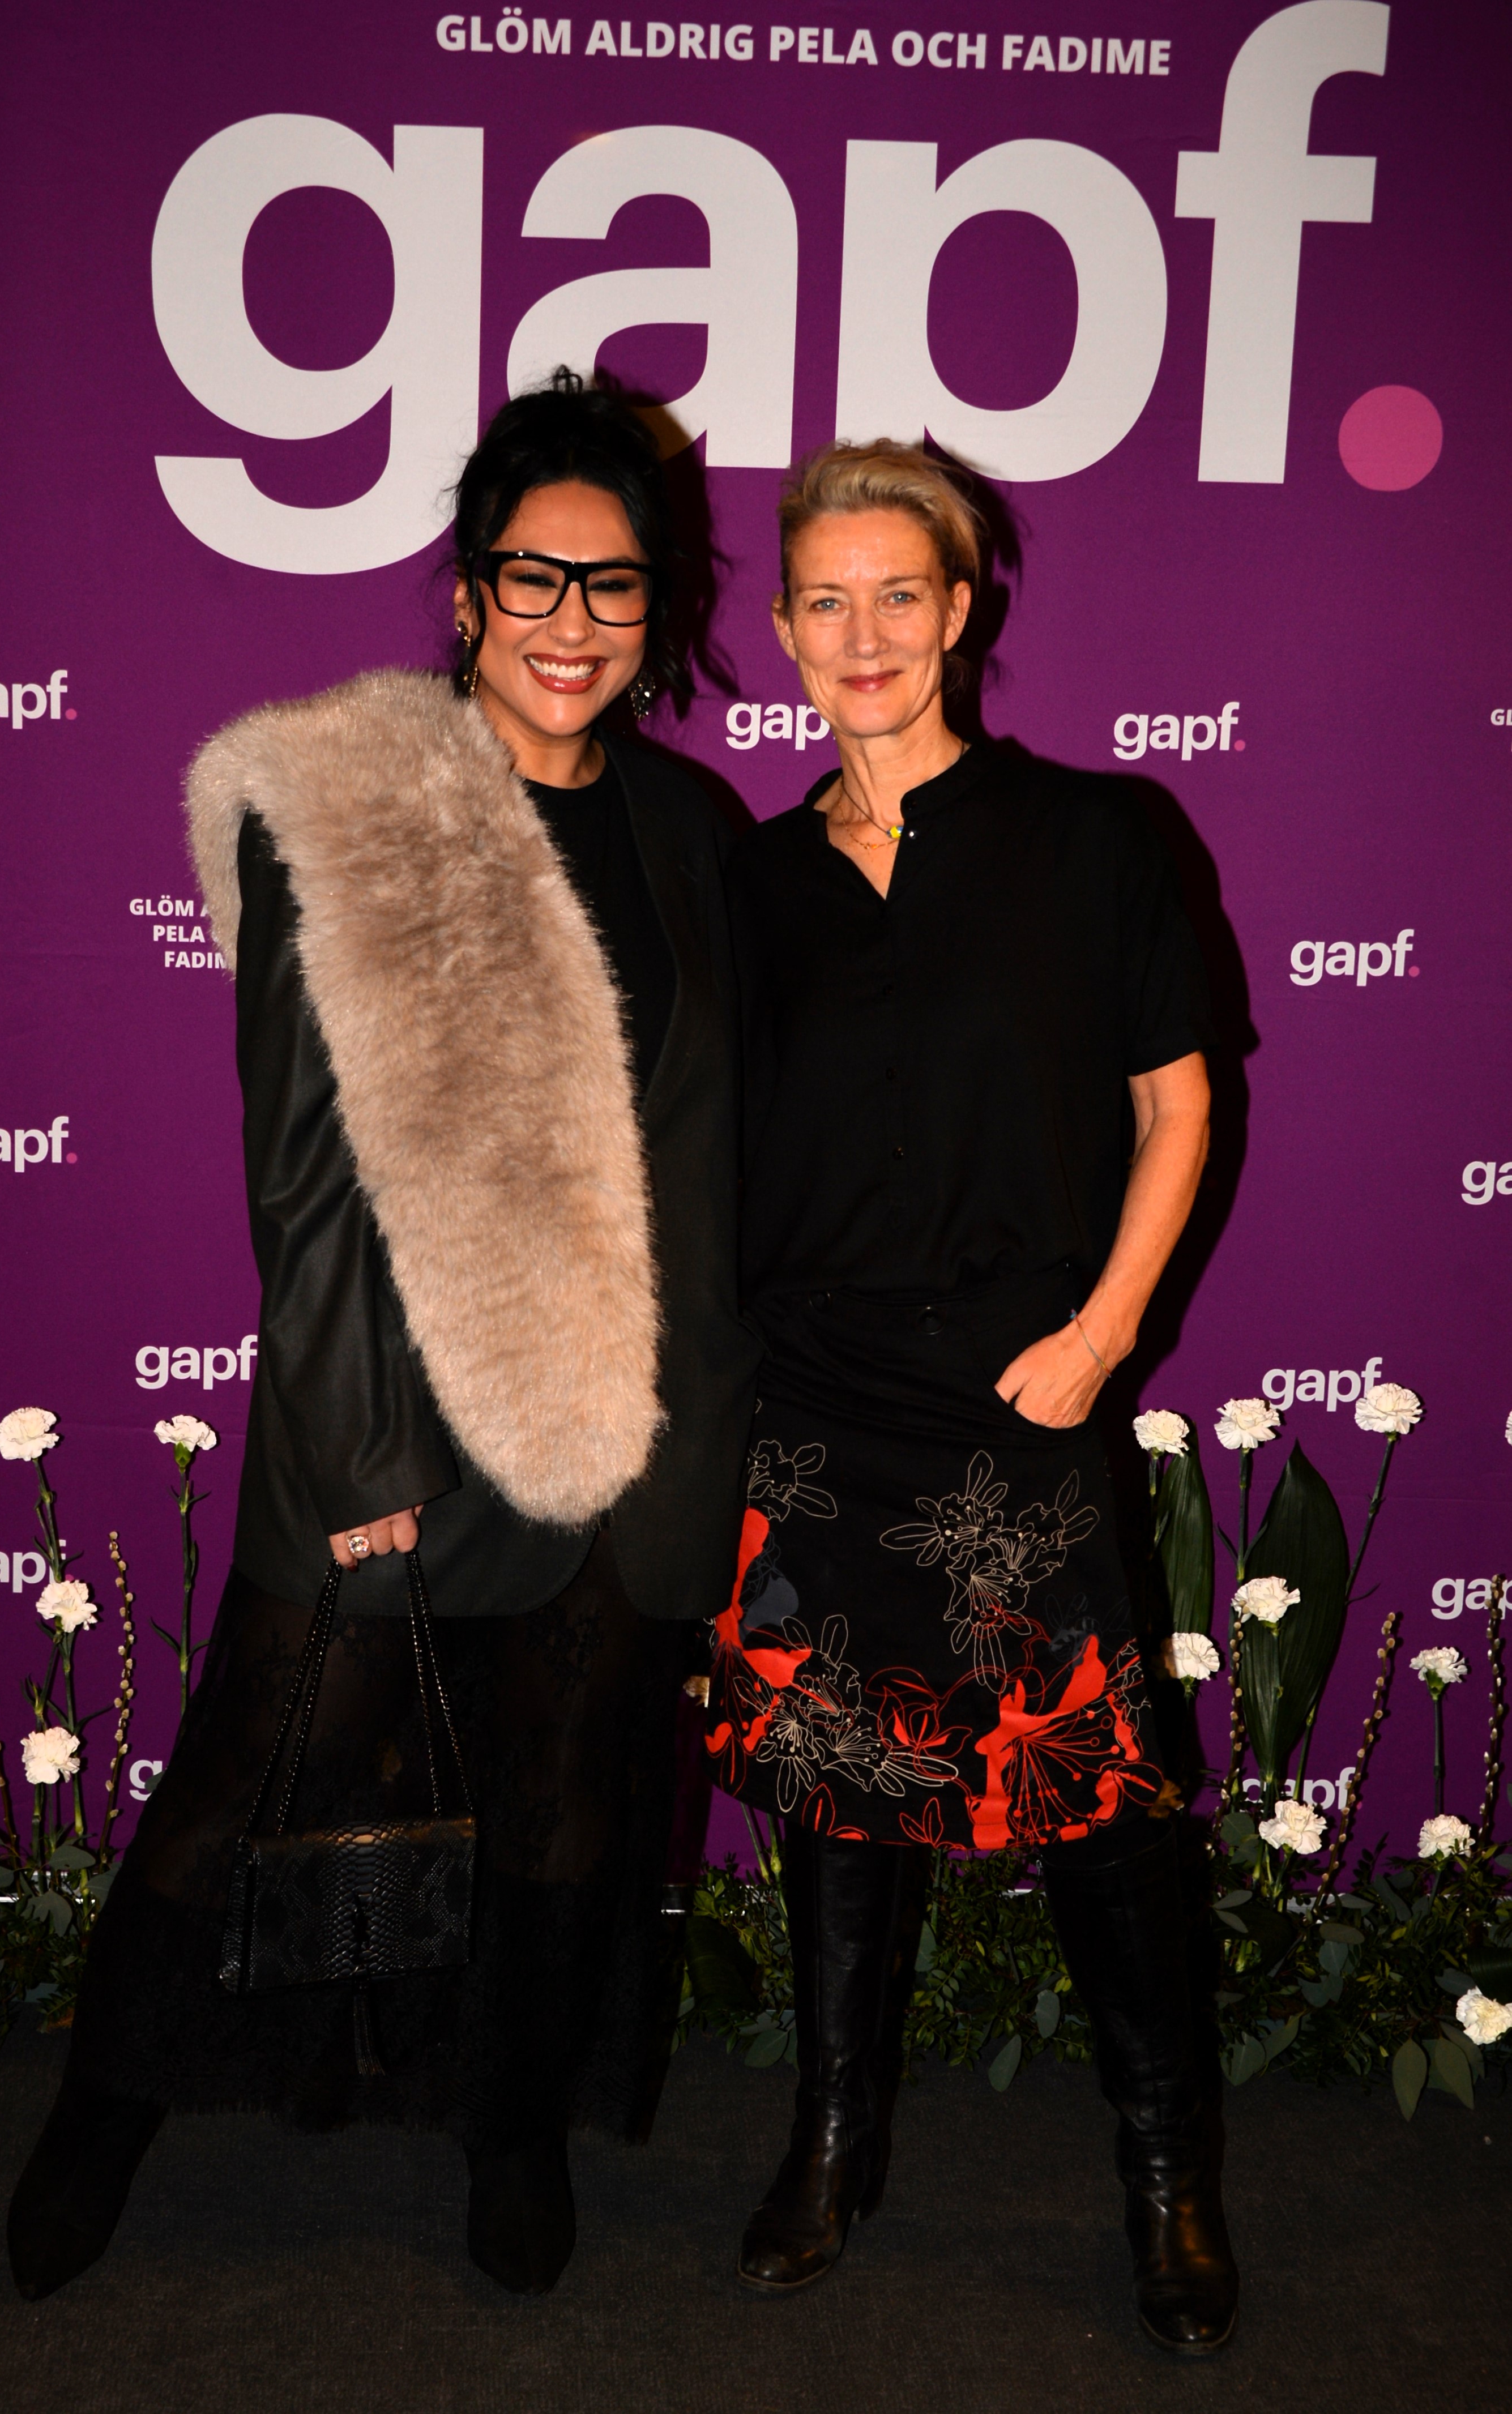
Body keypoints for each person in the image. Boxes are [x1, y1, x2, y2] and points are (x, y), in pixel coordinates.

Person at [7, 370, 758, 2302]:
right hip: (403, 1410)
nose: (572, 620)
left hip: (631, 1429)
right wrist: (359, 1456)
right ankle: (102, 2109)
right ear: (469, 590)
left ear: (661, 606)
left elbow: (708, 1149)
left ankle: (513, 2125)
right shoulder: (351, 812)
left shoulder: (691, 827)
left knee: (565, 1800)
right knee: (249, 1775)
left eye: (614, 583)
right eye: (534, 577)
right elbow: (305, 1173)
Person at [708, 439, 1235, 2353]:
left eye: (898, 594)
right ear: (783, 630)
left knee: (1101, 1815)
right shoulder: (750, 883)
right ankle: (834, 2141)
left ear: (961, 609)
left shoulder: (1096, 837)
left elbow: (1178, 1104)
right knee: (836, 1803)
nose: (863, 634)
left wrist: (1102, 1336)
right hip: (815, 1404)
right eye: (823, 601)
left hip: (1021, 1397)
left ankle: (1168, 2174)